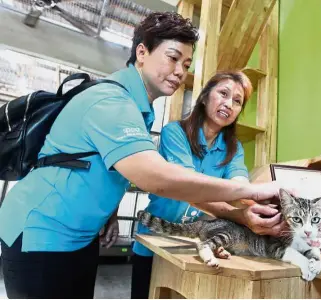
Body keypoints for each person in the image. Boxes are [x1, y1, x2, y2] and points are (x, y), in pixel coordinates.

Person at [0, 12, 288, 299]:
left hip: (81, 238)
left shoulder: (141, 111)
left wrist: (110, 214)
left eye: (186, 64)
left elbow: (113, 168)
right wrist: (251, 190)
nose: (179, 71)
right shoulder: (112, 101)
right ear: (142, 52)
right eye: (172, 58)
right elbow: (155, 177)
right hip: (41, 233)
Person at [131, 71, 286, 299]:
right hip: (157, 236)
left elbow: (239, 183)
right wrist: (242, 215)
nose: (229, 104)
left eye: (237, 101)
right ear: (204, 97)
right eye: (223, 93)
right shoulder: (175, 133)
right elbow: (188, 189)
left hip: (197, 242)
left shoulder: (233, 148)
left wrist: (261, 204)